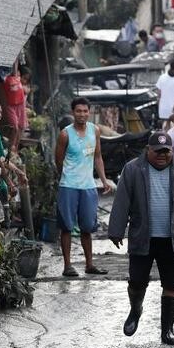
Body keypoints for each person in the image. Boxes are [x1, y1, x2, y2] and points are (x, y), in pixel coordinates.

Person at [108, 132, 174, 345]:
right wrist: (116, 230)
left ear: (172, 151)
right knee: (136, 281)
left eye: (167, 151)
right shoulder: (133, 169)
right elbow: (122, 201)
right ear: (148, 150)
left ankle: (167, 330)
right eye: (158, 151)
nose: (162, 155)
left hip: (171, 237)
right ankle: (135, 310)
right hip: (142, 235)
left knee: (171, 284)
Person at [55, 97, 112, 277]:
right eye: (78, 111)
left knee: (88, 226)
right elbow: (58, 160)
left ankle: (89, 264)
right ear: (73, 113)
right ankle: (67, 266)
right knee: (67, 226)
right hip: (69, 186)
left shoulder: (95, 131)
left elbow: (98, 157)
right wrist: (65, 176)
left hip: (88, 186)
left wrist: (103, 180)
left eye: (85, 111)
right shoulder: (65, 134)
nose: (82, 114)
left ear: (89, 112)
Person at [2, 62, 29, 154]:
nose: (18, 74)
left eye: (19, 73)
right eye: (17, 73)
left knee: (21, 127)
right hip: (11, 106)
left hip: (20, 105)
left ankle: (15, 149)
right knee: (15, 127)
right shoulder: (7, 79)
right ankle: (11, 148)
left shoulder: (18, 80)